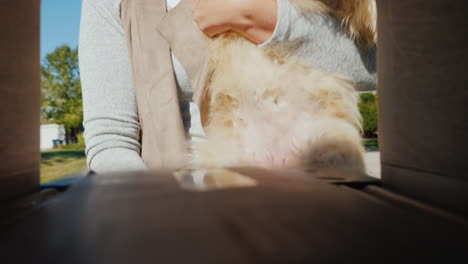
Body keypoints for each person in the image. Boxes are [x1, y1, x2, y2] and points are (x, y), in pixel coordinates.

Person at [79, 0, 376, 173]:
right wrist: (159, 215)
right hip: (194, 202)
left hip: (324, 170)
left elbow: (386, 65)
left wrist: (270, 21)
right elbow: (110, 142)